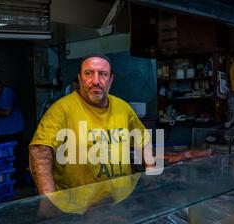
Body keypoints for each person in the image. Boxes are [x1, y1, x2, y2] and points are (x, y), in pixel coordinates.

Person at [29, 53, 155, 195]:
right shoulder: (62, 110)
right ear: (79, 78)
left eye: (103, 74)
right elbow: (39, 152)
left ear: (111, 80)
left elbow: (143, 139)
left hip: (120, 203)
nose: (96, 81)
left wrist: (151, 171)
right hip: (78, 206)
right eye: (88, 73)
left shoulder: (122, 108)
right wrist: (49, 200)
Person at [0, 80, 25, 186]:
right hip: (3, 134)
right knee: (7, 159)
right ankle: (10, 182)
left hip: (12, 133)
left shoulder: (7, 92)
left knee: (15, 158)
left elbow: (6, 112)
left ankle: (18, 182)